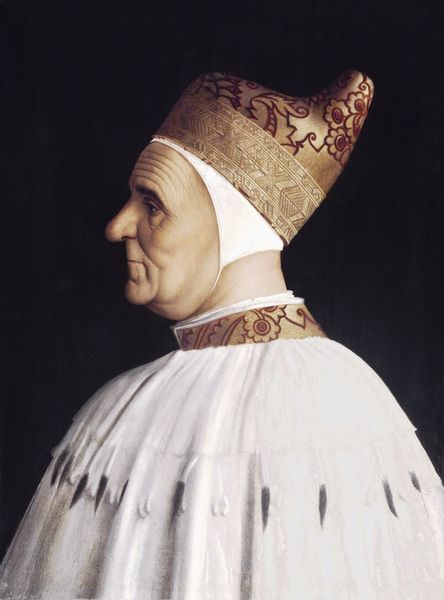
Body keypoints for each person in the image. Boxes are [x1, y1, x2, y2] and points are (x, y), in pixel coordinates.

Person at [1, 71, 443, 600]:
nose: (117, 226)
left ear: (233, 225)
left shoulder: (336, 402)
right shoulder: (117, 405)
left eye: (152, 204)